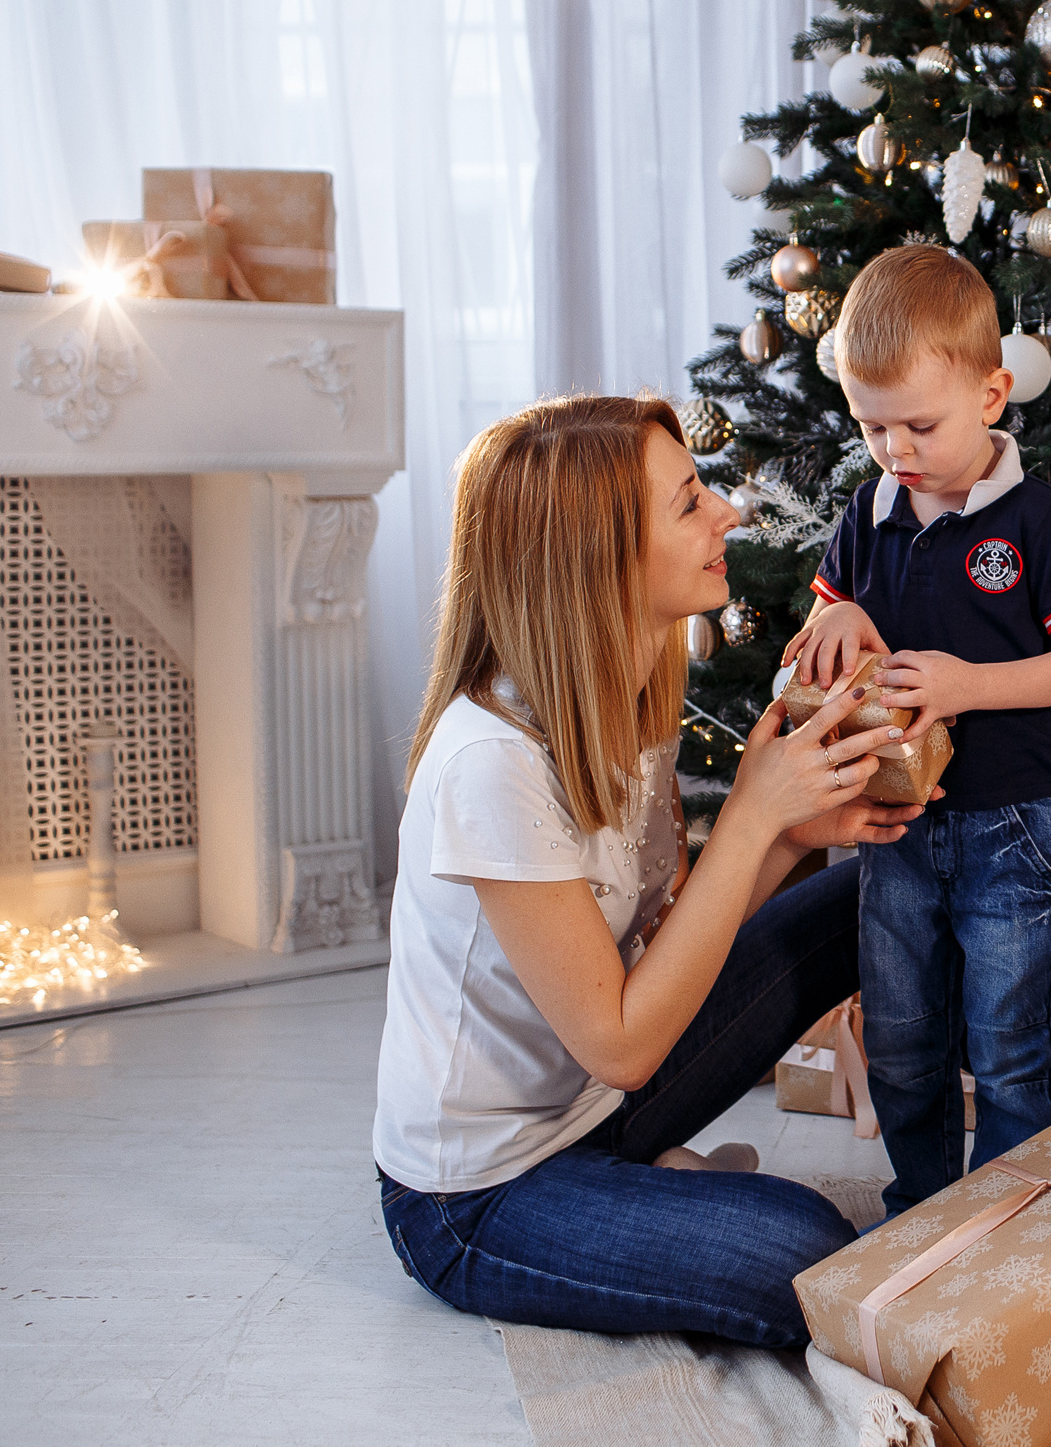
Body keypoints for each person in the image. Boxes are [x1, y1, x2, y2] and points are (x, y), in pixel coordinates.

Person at [373, 395, 930, 1346]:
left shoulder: (620, 699)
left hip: (601, 1107)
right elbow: (623, 1044)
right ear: (599, 559)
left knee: (863, 892)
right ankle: (647, 1194)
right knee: (807, 1248)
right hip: (483, 1194)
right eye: (688, 503)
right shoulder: (490, 763)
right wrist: (754, 817)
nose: (727, 515)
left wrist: (794, 836)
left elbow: (666, 939)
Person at [783, 245, 1051, 1216]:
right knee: (902, 1035)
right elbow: (823, 625)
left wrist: (968, 683)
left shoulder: (1038, 522)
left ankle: (1010, 1222)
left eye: (919, 423)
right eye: (871, 425)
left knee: (1011, 1045)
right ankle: (925, 1209)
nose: (897, 449)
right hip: (896, 828)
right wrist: (831, 617)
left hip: (1014, 824)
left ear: (992, 392)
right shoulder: (867, 512)